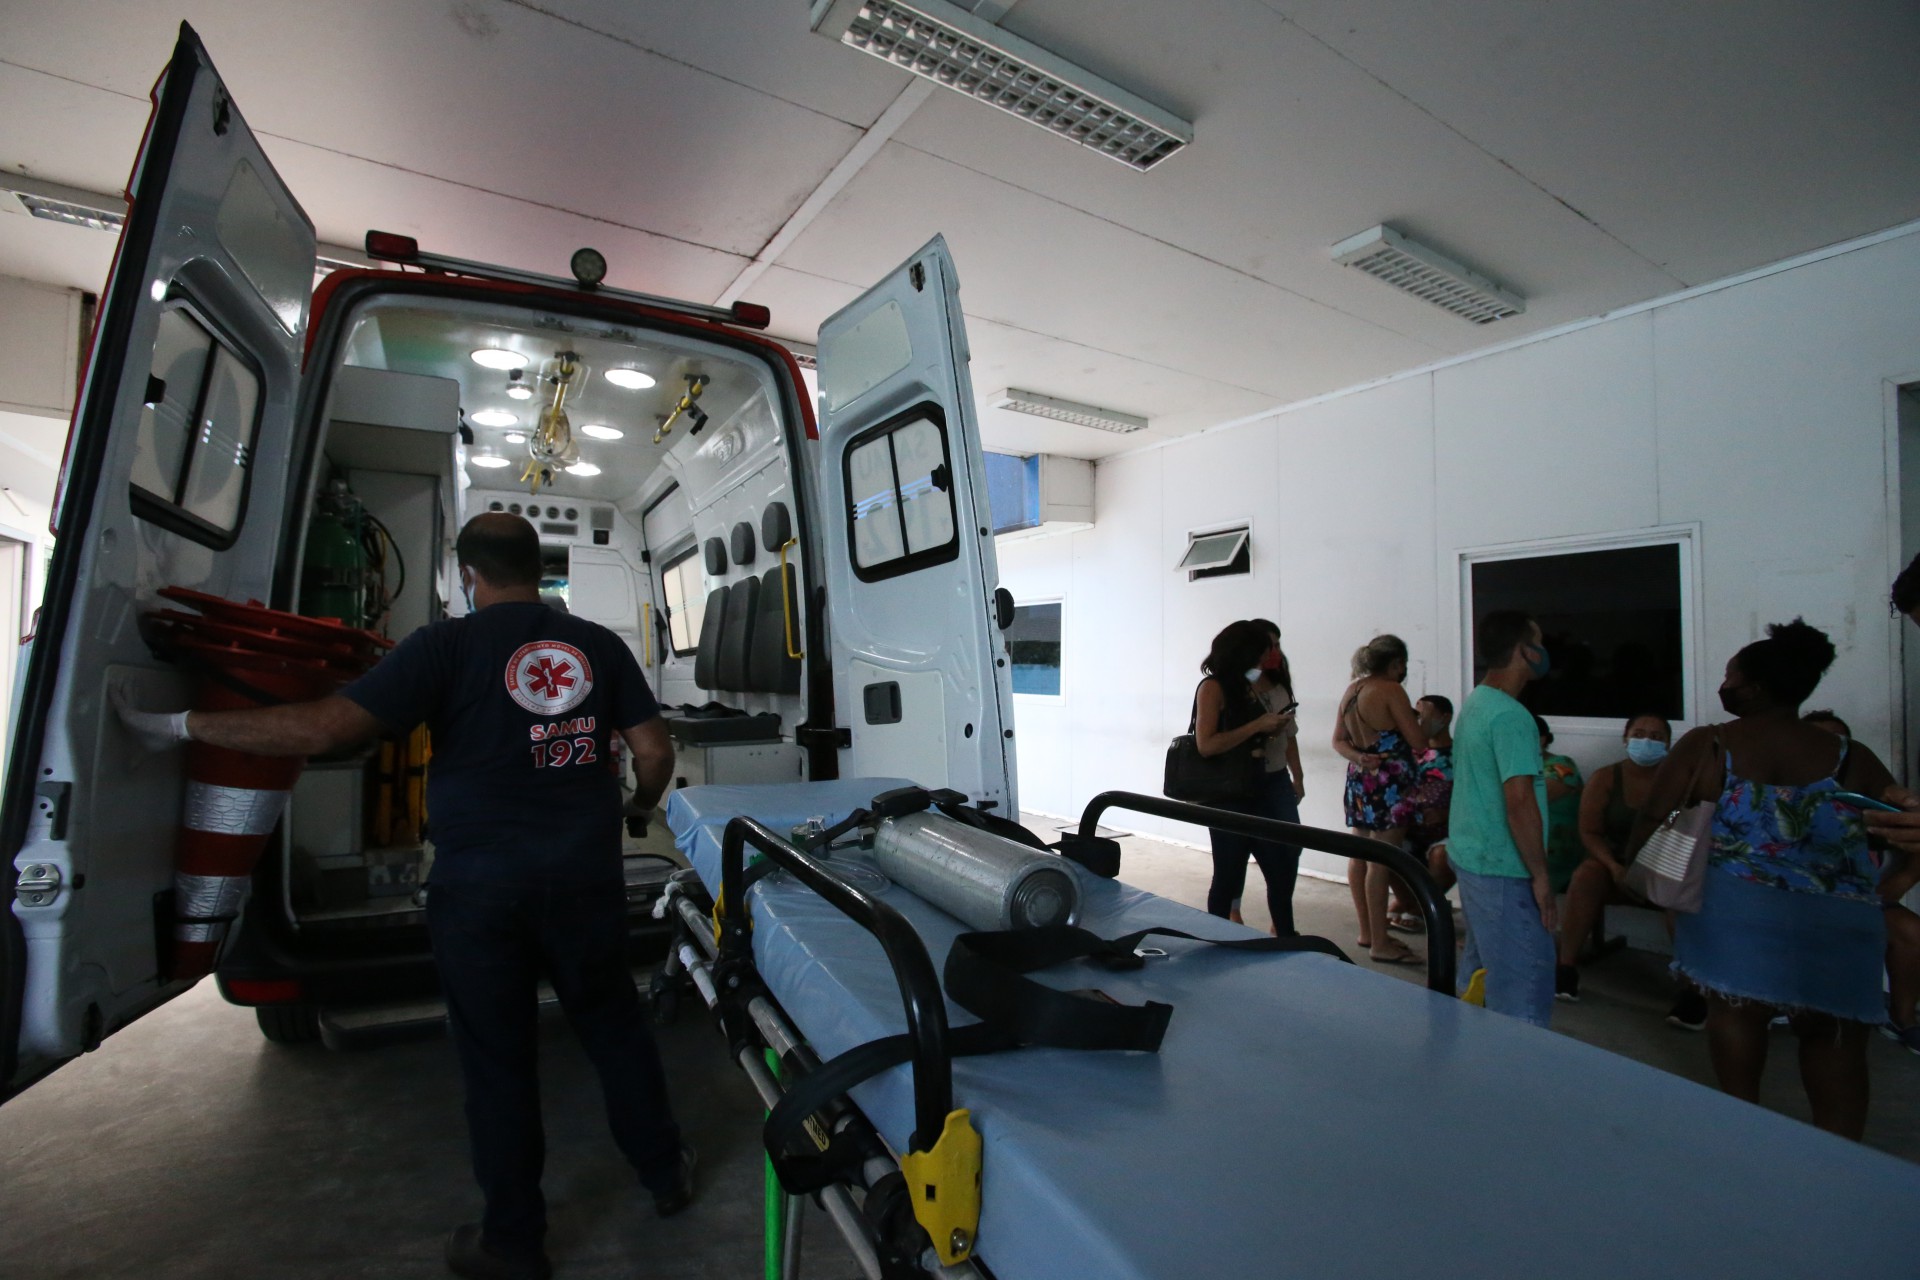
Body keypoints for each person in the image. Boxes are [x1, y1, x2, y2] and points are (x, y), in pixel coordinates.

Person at [115, 513, 692, 1280]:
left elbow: (325, 728)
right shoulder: (597, 644)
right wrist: (635, 809)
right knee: (614, 1026)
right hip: (583, 881)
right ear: (537, 568)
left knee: (498, 1060)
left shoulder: (444, 646)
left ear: (467, 575)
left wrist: (182, 724)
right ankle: (665, 1175)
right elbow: (654, 750)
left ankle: (514, 1242)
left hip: (480, 891)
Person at [1634, 621, 1897, 1140]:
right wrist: (1889, 889)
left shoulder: (1710, 745)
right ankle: (1840, 1161)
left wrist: (1641, 870)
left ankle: (1747, 1140)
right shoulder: (1849, 757)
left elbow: (1653, 818)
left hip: (1734, 914)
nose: (1723, 684)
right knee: (1834, 1039)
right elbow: (1896, 822)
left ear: (1753, 687)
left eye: (1730, 675)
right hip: (1838, 921)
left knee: (1736, 1017)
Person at [1552, 714, 1707, 1030]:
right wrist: (1614, 866)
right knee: (1586, 877)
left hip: (1665, 868)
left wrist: (1658, 872)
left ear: (1667, 743)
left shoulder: (1683, 782)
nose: (1646, 741)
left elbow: (1691, 834)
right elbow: (1590, 831)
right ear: (1625, 738)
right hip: (1616, 866)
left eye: (1656, 736)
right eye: (1639, 733)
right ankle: (1565, 968)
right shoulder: (1607, 777)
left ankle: (1694, 990)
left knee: (1680, 900)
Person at [1447, 610, 1555, 1026]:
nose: (1544, 651)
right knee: (1522, 990)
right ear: (1524, 651)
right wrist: (1541, 877)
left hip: (1473, 857)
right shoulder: (1512, 717)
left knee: (1481, 967)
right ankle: (1517, 1081)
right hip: (1504, 868)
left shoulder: (1478, 701)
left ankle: (1470, 1049)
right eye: (1539, 641)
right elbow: (1519, 802)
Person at [1804, 710, 1920, 1056]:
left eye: (1838, 741)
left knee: (1911, 933)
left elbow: (1910, 832)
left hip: (1857, 901)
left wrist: (1902, 879)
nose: (1829, 749)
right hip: (1790, 902)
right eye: (1817, 740)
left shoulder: (1867, 798)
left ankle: (1902, 1019)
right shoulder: (1773, 791)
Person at [1331, 633, 1429, 966]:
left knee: (1360, 852)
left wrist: (1360, 759)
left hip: (1361, 779)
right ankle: (1381, 942)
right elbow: (1417, 740)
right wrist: (1426, 721)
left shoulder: (1353, 690)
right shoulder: (1390, 690)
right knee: (1382, 859)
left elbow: (1338, 741)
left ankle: (1368, 932)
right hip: (1390, 782)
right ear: (1396, 663)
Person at [1192, 620, 1294, 931]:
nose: (1269, 658)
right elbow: (1206, 744)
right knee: (1228, 871)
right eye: (1264, 651)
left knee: (1282, 865)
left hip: (1264, 785)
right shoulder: (1213, 687)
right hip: (1229, 794)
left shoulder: (1257, 683)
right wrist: (1257, 726)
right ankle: (1218, 937)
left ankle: (1286, 936)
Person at [1230, 618, 1307, 934]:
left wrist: (1297, 776)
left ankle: (1281, 919)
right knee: (1237, 848)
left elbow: (1290, 734)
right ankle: (1232, 910)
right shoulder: (1235, 683)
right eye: (1269, 645)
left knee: (1291, 846)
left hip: (1276, 778)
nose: (1275, 652)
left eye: (1278, 644)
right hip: (1240, 781)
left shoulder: (1279, 684)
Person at [1388, 694, 1454, 929]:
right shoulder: (1410, 753)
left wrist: (1445, 814)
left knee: (1442, 855)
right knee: (1384, 850)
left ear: (1445, 718)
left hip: (1447, 830)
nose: (1418, 720)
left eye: (1424, 714)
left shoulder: (1460, 755)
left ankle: (1417, 908)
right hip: (1410, 828)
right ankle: (1413, 906)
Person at [1536, 714, 1586, 894]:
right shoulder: (1510, 768)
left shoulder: (1562, 766)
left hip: (1556, 856)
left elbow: (1530, 801)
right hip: (1523, 851)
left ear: (1541, 740)